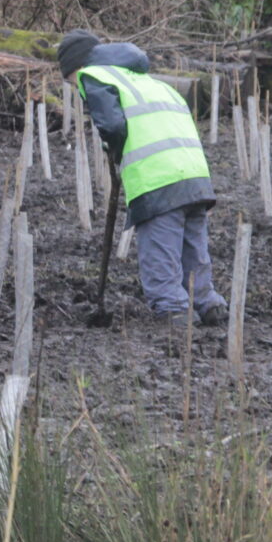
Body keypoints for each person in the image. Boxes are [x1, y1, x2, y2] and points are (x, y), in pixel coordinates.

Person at [57, 29, 227, 331]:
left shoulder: (93, 76)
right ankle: (208, 303)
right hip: (195, 172)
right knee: (193, 247)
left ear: (76, 68)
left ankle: (173, 312)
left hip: (157, 177)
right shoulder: (148, 81)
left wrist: (114, 148)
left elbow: (110, 124)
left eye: (70, 80)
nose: (74, 86)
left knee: (159, 248)